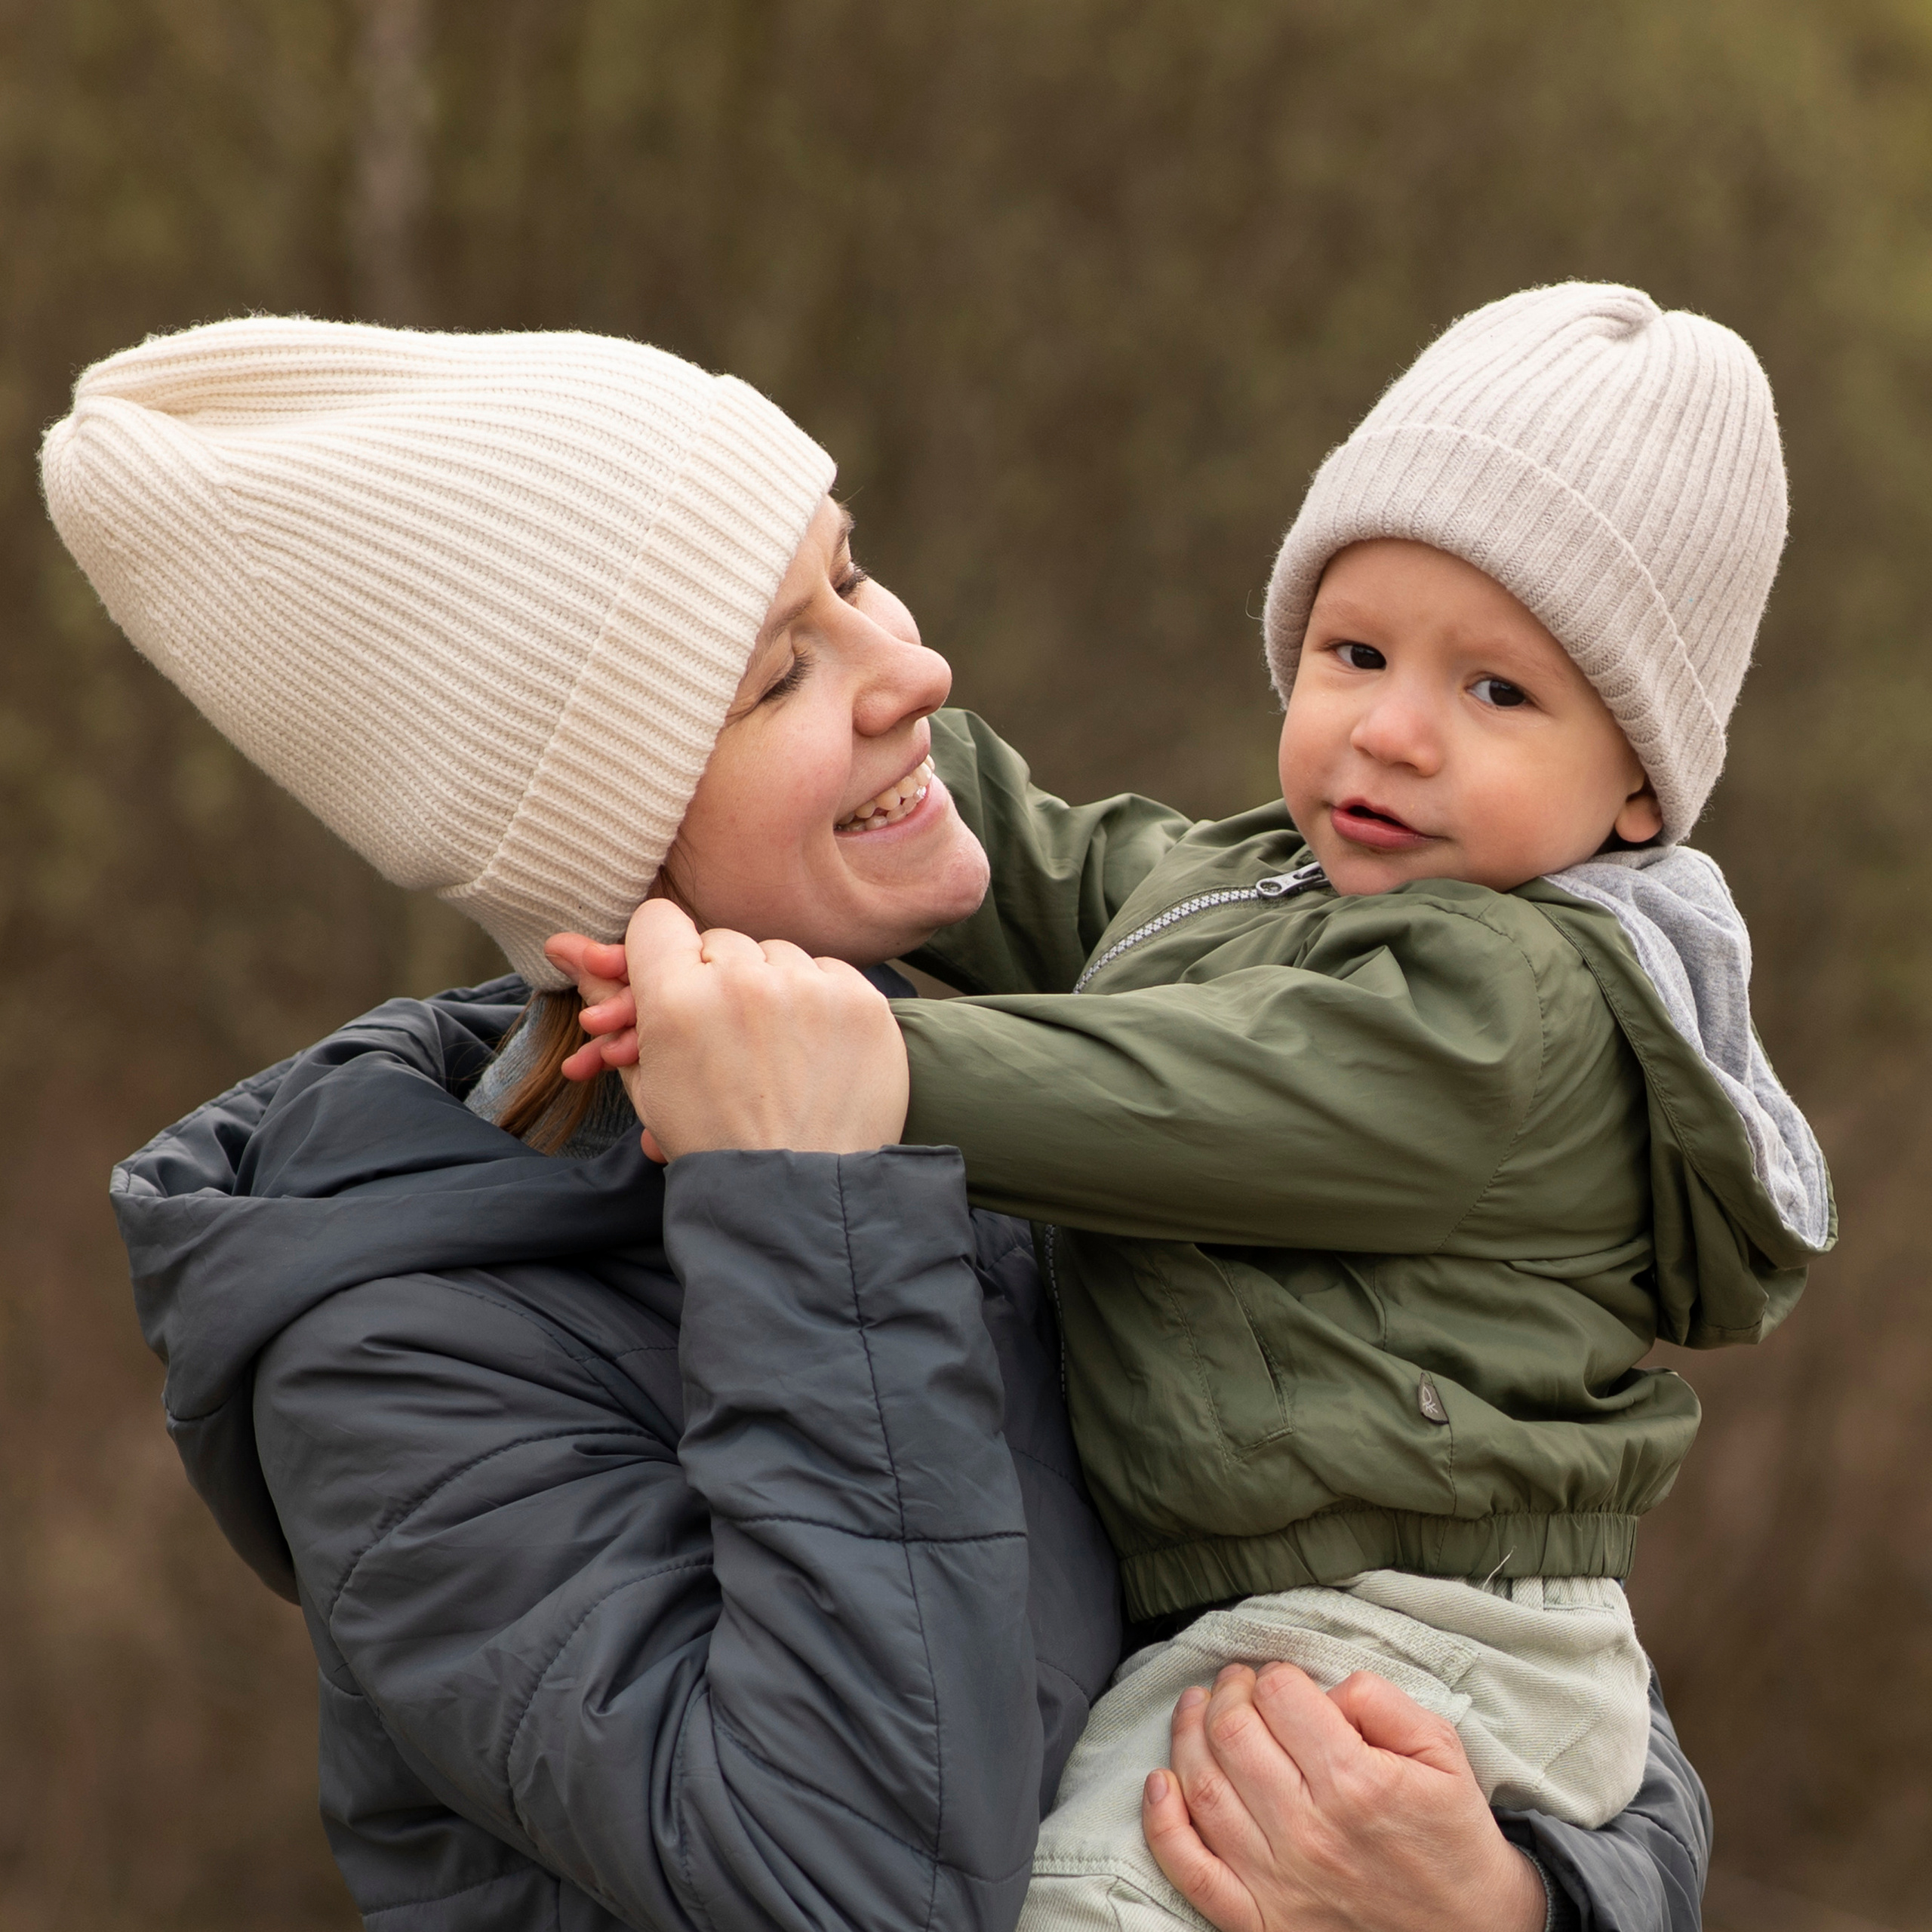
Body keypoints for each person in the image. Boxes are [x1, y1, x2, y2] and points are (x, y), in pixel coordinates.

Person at [54, 316, 1710, 1932]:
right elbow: (864, 1882)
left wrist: (1512, 1898)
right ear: (604, 827)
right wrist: (801, 1195)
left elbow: (1512, 1641)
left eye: (853, 573)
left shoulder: (1012, 1076)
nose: (915, 665)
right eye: (784, 667)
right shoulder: (400, 1356)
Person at [555, 288, 1835, 1926]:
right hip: (1291, 1604)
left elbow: (1181, 1098)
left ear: (1637, 787)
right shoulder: (1243, 881)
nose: (1388, 726)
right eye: (1353, 651)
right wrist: (842, 714)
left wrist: (861, 1067)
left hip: (1408, 1634)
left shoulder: (1511, 1012)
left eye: (1496, 693)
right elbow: (1032, 855)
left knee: (1105, 1894)